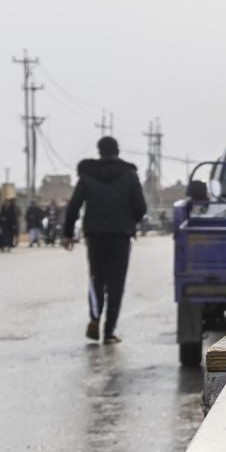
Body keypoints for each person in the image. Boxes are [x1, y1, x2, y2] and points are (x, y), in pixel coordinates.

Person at [63, 136, 147, 344]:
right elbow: (140, 208)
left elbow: (74, 206)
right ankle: (109, 332)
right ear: (117, 151)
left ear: (99, 151)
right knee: (116, 283)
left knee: (96, 278)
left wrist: (67, 233)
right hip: (121, 235)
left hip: (95, 235)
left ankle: (94, 318)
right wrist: (130, 220)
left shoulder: (87, 175)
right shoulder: (129, 174)